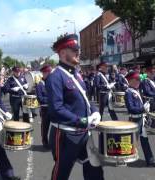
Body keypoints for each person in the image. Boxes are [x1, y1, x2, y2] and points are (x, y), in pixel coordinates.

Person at [46, 34, 104, 180]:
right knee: (62, 172)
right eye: (73, 49)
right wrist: (83, 121)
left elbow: (84, 98)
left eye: (78, 49)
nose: (78, 52)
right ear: (63, 53)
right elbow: (56, 109)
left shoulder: (76, 74)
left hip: (84, 132)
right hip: (65, 134)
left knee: (94, 166)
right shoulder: (55, 76)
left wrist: (95, 111)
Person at [124, 72, 155, 168]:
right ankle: (123, 158)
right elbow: (131, 108)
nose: (138, 81)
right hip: (134, 120)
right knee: (131, 141)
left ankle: (150, 160)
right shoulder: (128, 92)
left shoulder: (136, 90)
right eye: (136, 80)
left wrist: (147, 105)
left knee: (144, 140)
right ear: (130, 81)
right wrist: (143, 109)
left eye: (138, 80)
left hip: (141, 118)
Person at [36, 65, 52, 148]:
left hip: (53, 109)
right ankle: (45, 142)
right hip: (45, 108)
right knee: (45, 126)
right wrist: (51, 99)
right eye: (48, 73)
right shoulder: (40, 85)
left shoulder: (53, 83)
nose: (49, 74)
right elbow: (40, 98)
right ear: (43, 73)